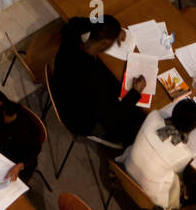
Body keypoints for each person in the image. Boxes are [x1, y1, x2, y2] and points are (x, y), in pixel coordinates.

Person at [50, 15, 146, 147]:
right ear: (105, 44)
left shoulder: (70, 42)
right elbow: (112, 118)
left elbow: (74, 23)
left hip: (63, 90)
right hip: (79, 119)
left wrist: (109, 29)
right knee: (139, 116)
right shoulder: (94, 78)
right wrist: (135, 92)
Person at [119, 98, 196, 210]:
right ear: (190, 130)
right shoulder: (185, 154)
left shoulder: (153, 116)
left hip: (128, 166)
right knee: (176, 180)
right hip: (148, 192)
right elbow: (177, 171)